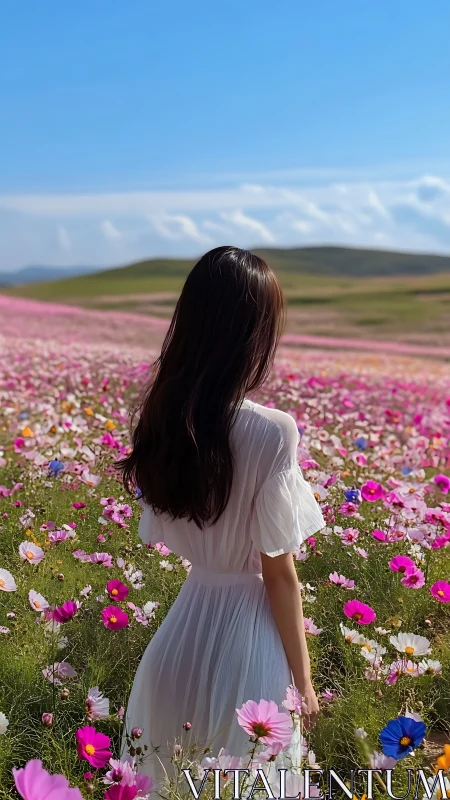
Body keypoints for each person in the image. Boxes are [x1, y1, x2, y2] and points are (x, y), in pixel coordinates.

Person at [118, 246, 325, 784]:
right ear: (251, 333)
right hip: (247, 650)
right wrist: (303, 684)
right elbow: (279, 576)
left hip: (176, 645)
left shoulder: (165, 421)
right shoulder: (273, 431)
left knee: (163, 785)